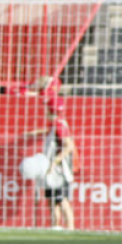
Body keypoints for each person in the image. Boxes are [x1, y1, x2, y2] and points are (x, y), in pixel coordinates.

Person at [41, 96, 76, 229]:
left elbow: (69, 146)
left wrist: (55, 161)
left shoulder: (60, 125)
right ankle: (55, 227)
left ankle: (71, 229)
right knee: (52, 202)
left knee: (62, 201)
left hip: (59, 171)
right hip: (51, 172)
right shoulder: (54, 125)